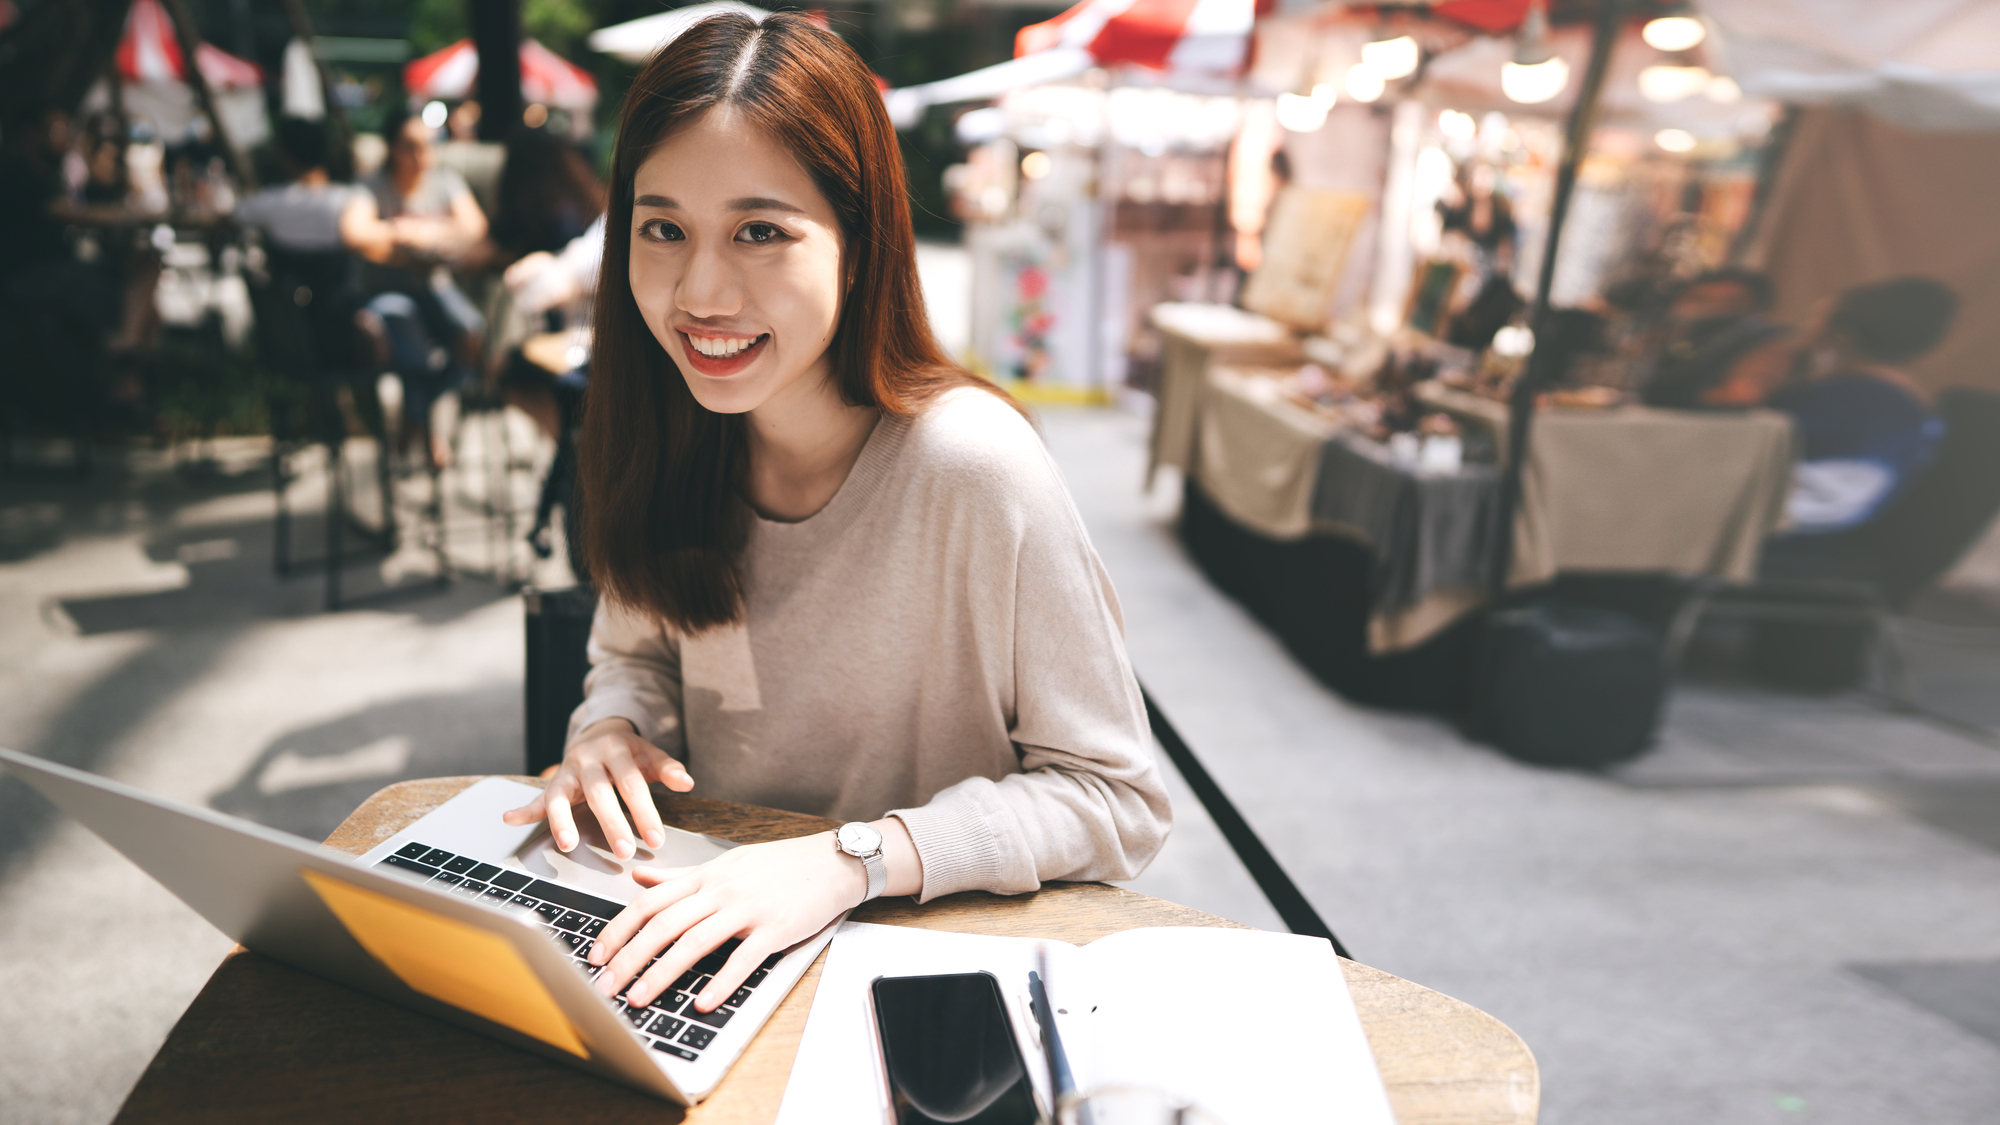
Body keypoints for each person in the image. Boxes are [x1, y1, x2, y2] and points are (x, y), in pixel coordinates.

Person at [498, 12, 1171, 1019]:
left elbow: (1117, 801)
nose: (699, 291)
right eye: (662, 228)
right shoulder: (664, 428)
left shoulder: (969, 467)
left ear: (859, 242)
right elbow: (637, 659)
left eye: (759, 231)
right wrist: (609, 732)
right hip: (708, 941)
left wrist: (853, 860)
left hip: (926, 975)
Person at [1761, 277, 1955, 570]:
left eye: (1817, 318)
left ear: (1842, 336)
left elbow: (1743, 442)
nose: (1808, 329)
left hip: (1776, 533)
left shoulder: (1834, 397)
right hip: (1833, 535)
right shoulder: (1921, 415)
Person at [339, 105, 489, 466]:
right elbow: (354, 232)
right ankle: (429, 431)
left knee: (473, 333)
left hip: (433, 284)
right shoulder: (371, 186)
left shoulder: (444, 180)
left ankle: (417, 417)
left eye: (427, 145)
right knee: (412, 347)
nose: (422, 155)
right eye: (411, 146)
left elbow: (474, 227)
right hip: (385, 291)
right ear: (391, 148)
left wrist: (424, 233)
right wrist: (402, 234)